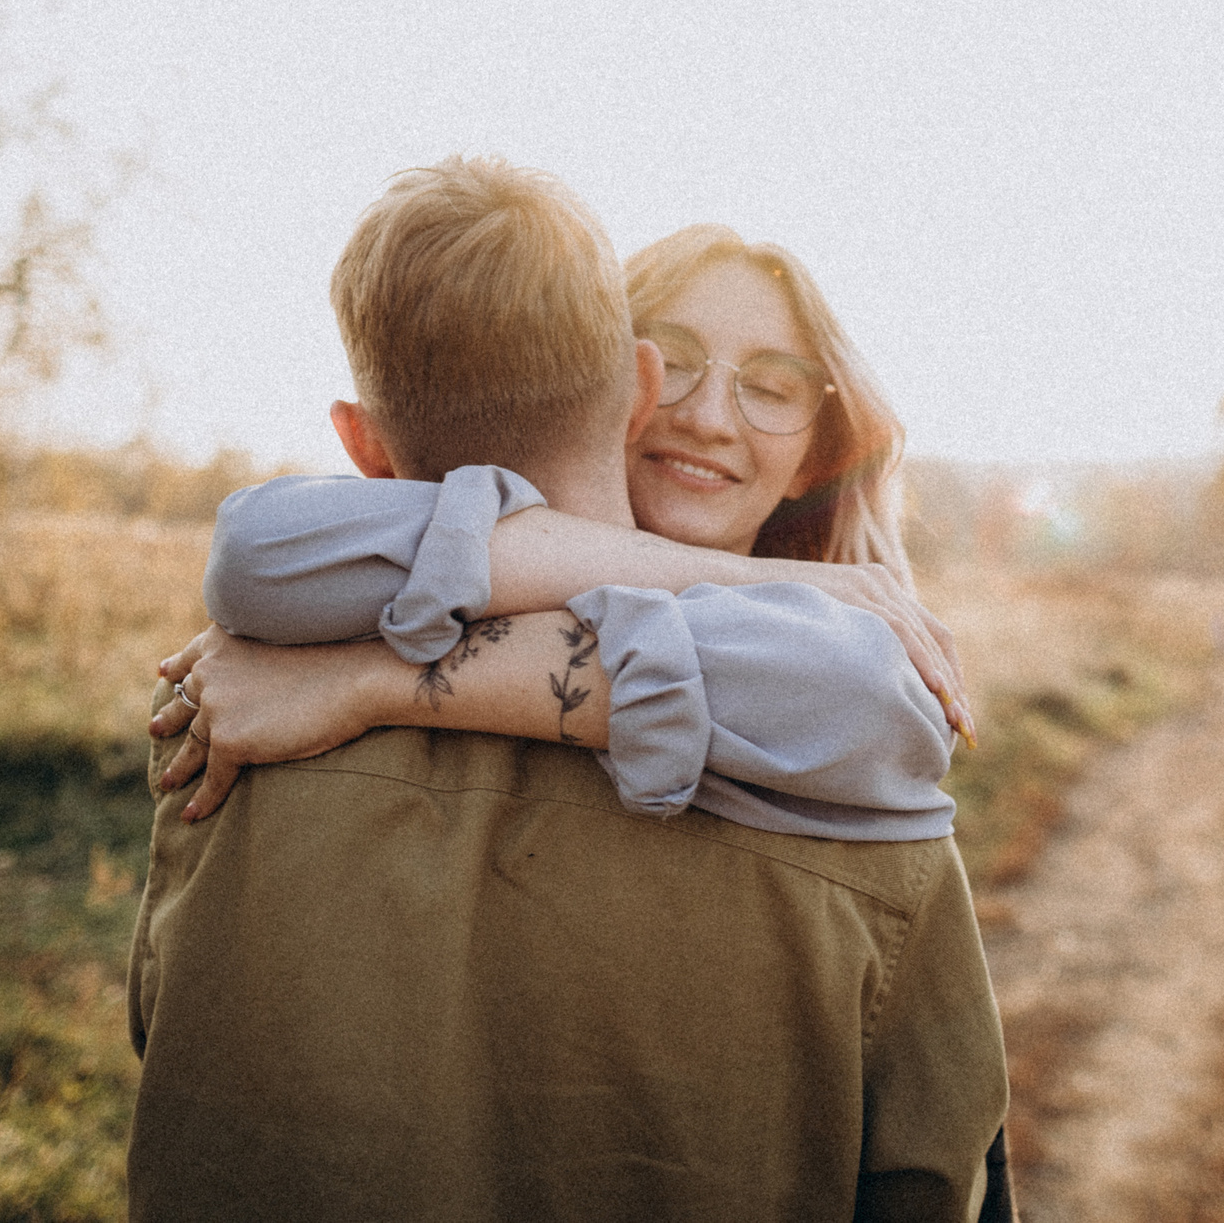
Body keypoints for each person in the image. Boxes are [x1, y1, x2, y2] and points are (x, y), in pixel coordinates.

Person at [127, 158, 1010, 1222]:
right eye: (677, 363)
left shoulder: (852, 697)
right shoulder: (273, 638)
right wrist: (784, 579)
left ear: (823, 444)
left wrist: (372, 679)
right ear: (621, 376)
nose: (711, 416)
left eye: (771, 385)